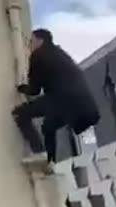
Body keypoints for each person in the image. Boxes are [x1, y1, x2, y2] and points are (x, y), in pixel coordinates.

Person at [12, 29, 100, 172]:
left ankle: (43, 155)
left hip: (61, 99)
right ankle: (50, 161)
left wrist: (20, 88)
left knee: (19, 113)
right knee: (49, 126)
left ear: (40, 41)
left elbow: (34, 90)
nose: (29, 45)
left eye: (31, 41)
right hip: (83, 106)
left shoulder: (38, 56)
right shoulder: (61, 54)